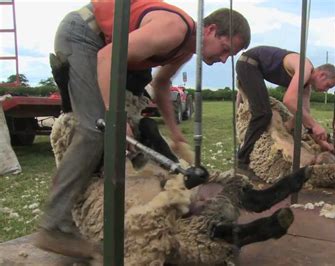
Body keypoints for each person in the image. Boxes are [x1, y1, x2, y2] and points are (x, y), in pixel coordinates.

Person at [34, 1, 250, 259]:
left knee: (123, 133)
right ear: (210, 30)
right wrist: (114, 114)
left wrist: (175, 131)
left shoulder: (184, 49)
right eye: (225, 49)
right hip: (83, 35)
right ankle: (53, 226)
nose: (224, 59)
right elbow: (107, 57)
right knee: (96, 130)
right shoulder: (174, 29)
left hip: (102, 44)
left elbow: (160, 84)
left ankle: (116, 212)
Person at [236, 45, 335, 173]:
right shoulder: (305, 68)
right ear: (322, 75)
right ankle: (241, 162)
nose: (325, 90)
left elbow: (304, 117)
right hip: (249, 63)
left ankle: (249, 154)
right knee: (263, 113)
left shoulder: (306, 87)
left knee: (268, 114)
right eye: (328, 85)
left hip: (256, 69)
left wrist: (321, 143)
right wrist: (315, 124)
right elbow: (289, 100)